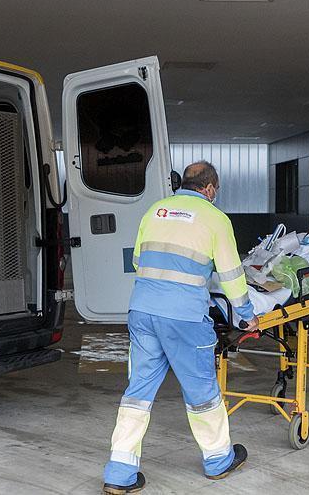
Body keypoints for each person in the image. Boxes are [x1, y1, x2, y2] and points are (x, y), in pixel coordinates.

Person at [102, 161, 259, 494]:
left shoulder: (155, 210)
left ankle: (119, 473)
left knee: (138, 393)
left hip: (142, 311)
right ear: (210, 187)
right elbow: (231, 274)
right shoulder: (216, 219)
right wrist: (246, 315)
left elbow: (138, 261)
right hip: (184, 318)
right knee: (202, 392)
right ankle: (218, 460)